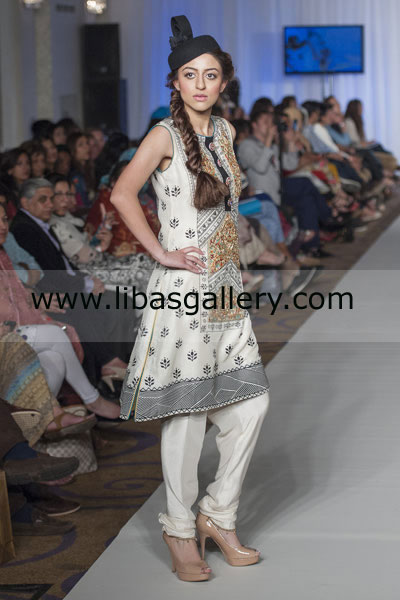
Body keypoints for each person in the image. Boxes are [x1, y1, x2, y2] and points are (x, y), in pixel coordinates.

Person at [111, 15, 270, 582]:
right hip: (183, 290)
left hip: (225, 287)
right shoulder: (164, 135)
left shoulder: (224, 131)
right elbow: (122, 194)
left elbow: (225, 212)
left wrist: (236, 267)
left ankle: (217, 515)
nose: (201, 84)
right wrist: (162, 252)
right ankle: (179, 530)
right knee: (187, 415)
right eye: (189, 74)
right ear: (175, 81)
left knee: (250, 406)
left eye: (211, 75)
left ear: (223, 80)